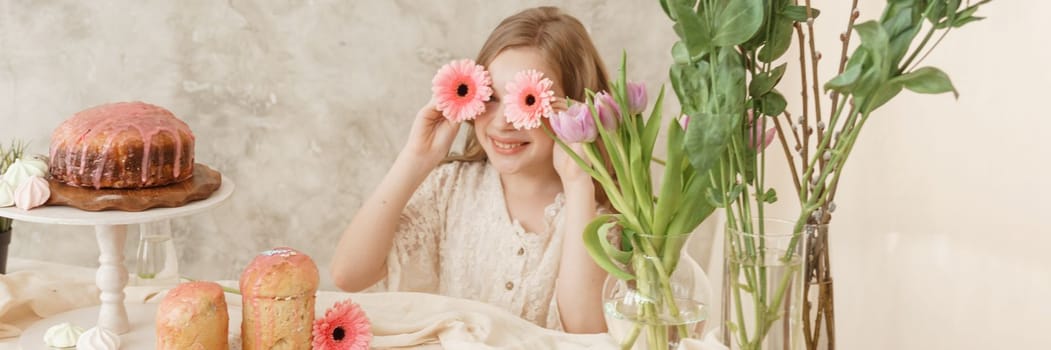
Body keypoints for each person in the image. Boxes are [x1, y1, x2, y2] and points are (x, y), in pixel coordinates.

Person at [330, 6, 611, 334]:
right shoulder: (450, 189)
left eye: (528, 100)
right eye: (490, 97)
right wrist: (416, 157)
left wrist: (578, 181)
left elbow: (587, 330)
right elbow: (349, 274)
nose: (503, 122)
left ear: (573, 107)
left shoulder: (599, 214)